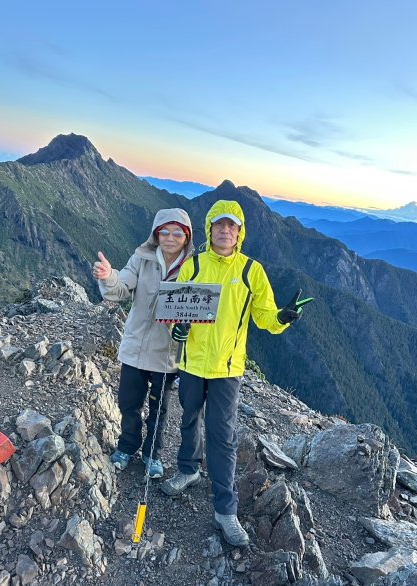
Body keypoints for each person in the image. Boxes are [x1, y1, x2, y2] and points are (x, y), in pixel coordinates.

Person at [161, 200, 311, 546]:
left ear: (240, 233)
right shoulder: (193, 265)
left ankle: (225, 509)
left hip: (227, 368)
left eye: (232, 226)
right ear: (209, 229)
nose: (225, 231)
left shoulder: (250, 271)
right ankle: (188, 470)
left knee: (222, 435)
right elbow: (175, 312)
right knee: (188, 419)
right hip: (191, 362)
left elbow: (264, 317)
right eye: (219, 225)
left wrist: (282, 318)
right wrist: (176, 330)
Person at [93, 208, 194, 478]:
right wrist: (108, 276)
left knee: (159, 410)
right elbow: (123, 286)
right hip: (136, 347)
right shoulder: (141, 259)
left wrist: (189, 329)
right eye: (164, 231)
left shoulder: (194, 267)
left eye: (177, 233)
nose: (170, 237)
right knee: (129, 403)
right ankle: (127, 447)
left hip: (167, 352)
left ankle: (152, 455)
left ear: (187, 237)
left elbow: (201, 307)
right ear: (156, 234)